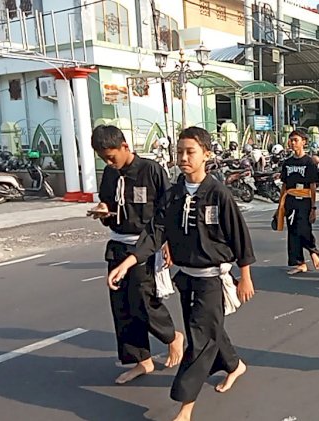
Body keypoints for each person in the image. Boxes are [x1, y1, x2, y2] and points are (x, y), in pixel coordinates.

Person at [107, 127, 256, 421]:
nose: (183, 157)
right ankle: (234, 364)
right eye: (180, 152)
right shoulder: (174, 195)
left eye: (190, 152)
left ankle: (185, 408)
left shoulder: (218, 194)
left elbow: (240, 237)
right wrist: (128, 262)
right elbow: (155, 231)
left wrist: (246, 276)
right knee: (205, 330)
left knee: (200, 341)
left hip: (212, 278)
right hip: (187, 277)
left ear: (206, 155)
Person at [89, 125, 184, 385]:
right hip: (118, 244)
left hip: (146, 244)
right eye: (104, 159)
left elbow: (168, 210)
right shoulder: (110, 174)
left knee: (143, 300)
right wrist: (102, 211)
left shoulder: (151, 170)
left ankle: (172, 336)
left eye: (112, 157)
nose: (110, 163)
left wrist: (168, 243)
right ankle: (142, 361)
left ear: (125, 147)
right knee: (122, 306)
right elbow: (108, 203)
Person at [275, 129, 319, 275]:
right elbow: (284, 185)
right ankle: (299, 263)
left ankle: (313, 251)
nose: (293, 143)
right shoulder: (287, 163)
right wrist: (279, 207)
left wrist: (313, 207)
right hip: (290, 200)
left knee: (303, 228)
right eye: (291, 140)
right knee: (292, 231)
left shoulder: (309, 162)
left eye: (296, 140)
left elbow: (313, 185)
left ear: (304, 142)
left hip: (305, 200)